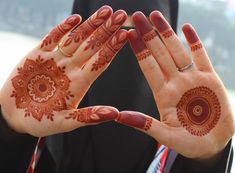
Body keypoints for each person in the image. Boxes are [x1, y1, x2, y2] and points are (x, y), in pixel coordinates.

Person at [0, 4, 234, 173]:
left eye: (142, 34)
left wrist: (208, 161)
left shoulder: (182, 148)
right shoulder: (37, 138)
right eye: (112, 31)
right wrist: (8, 130)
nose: (125, 42)